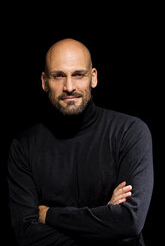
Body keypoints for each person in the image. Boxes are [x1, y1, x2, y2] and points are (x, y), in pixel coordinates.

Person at [7, 38, 154, 246]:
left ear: (93, 78)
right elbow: (26, 235)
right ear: (44, 81)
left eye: (78, 75)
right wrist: (106, 218)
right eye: (58, 76)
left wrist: (48, 215)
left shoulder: (130, 132)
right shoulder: (23, 147)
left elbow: (129, 222)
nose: (69, 87)